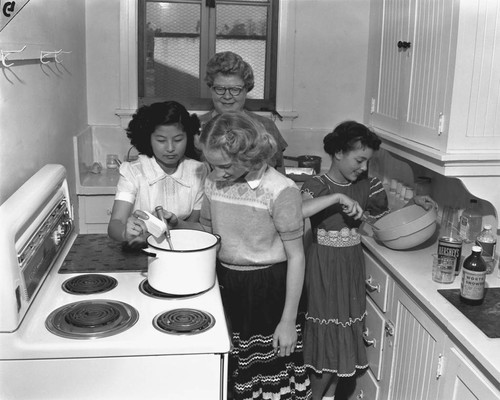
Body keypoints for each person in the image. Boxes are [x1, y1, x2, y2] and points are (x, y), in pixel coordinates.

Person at [300, 121, 436, 400]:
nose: (363, 167)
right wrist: (336, 197)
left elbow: (380, 219)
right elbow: (298, 211)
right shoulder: (318, 184)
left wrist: (414, 203)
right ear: (338, 152)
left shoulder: (369, 185)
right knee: (327, 340)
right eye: (359, 160)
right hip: (324, 269)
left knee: (342, 345)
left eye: (367, 162)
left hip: (350, 267)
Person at [198, 111, 311, 400]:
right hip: (225, 284)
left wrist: (287, 322)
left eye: (223, 165)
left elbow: (296, 257)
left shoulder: (280, 191)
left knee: (271, 375)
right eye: (211, 164)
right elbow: (208, 235)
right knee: (232, 370)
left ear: (247, 155)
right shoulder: (213, 181)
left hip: (268, 291)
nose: (216, 172)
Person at [107, 101, 208, 248]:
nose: (170, 148)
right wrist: (125, 232)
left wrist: (177, 224)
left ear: (188, 137)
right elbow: (115, 225)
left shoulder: (198, 171)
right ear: (148, 138)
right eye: (161, 140)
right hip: (140, 249)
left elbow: (194, 226)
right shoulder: (133, 171)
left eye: (178, 140)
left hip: (182, 248)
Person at [197, 51, 288, 168]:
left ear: (247, 89)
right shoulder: (195, 127)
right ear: (211, 88)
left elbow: (279, 175)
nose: (227, 96)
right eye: (219, 88)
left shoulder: (266, 126)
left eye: (235, 89)